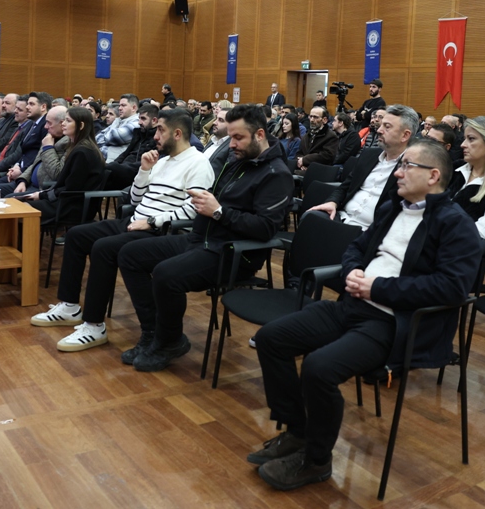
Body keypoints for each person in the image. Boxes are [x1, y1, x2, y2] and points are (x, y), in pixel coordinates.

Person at [249, 140, 481, 491]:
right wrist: (353, 271)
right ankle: (299, 432)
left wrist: (378, 288)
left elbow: (451, 288)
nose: (398, 172)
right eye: (399, 165)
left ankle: (316, 460)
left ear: (433, 176)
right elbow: (356, 248)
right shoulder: (392, 208)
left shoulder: (456, 225)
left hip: (392, 323)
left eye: (407, 166)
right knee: (271, 339)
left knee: (319, 368)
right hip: (351, 306)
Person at [115, 104, 294, 372]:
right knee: (130, 254)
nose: (232, 144)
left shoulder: (277, 174)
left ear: (259, 135)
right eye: (230, 137)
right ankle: (154, 334)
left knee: (166, 274)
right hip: (203, 239)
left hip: (233, 253)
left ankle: (168, 341)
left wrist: (219, 212)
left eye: (238, 138)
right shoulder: (240, 161)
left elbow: (265, 228)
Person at [30, 109, 216, 353]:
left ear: (177, 133)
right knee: (77, 235)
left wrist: (152, 221)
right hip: (137, 220)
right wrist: (144, 170)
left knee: (103, 248)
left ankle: (94, 325)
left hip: (160, 230)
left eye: (160, 130)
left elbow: (193, 210)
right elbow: (136, 199)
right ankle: (69, 306)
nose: (155, 136)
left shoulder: (198, 163)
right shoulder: (161, 161)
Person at [310, 104, 418, 231]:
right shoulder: (369, 155)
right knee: (310, 218)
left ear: (405, 135)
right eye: (381, 125)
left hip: (371, 231)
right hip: (342, 217)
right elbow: (345, 186)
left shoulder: (412, 168)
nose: (379, 130)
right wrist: (332, 202)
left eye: (387, 127)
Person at [10, 106, 105, 235]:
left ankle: (24, 248)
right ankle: (16, 247)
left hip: (72, 206)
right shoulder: (78, 147)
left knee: (17, 207)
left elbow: (70, 188)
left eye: (68, 121)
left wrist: (42, 195)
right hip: (65, 199)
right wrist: (43, 193)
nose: (63, 124)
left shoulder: (82, 152)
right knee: (15, 203)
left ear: (81, 125)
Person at [96, 94, 139, 160]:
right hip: (103, 157)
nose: (119, 108)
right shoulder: (119, 120)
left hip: (114, 162)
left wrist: (107, 136)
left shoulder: (137, 123)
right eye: (119, 105)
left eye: (123, 105)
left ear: (134, 108)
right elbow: (97, 138)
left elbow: (112, 137)